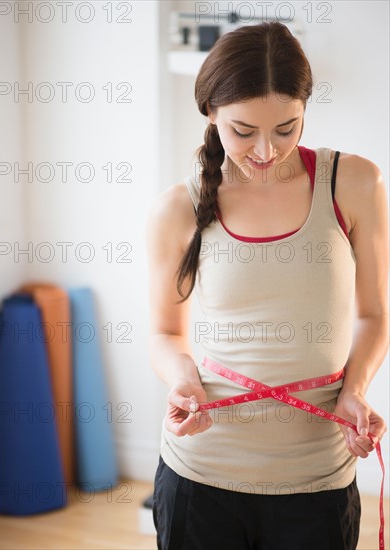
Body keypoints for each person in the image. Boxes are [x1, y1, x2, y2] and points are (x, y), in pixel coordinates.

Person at [145, 21, 388, 550]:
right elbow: (164, 333)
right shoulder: (176, 207)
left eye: (285, 128)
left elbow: (374, 314)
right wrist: (183, 380)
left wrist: (356, 389)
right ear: (210, 111)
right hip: (202, 474)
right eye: (242, 130)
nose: (264, 151)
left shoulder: (355, 184)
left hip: (317, 477)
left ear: (305, 109)